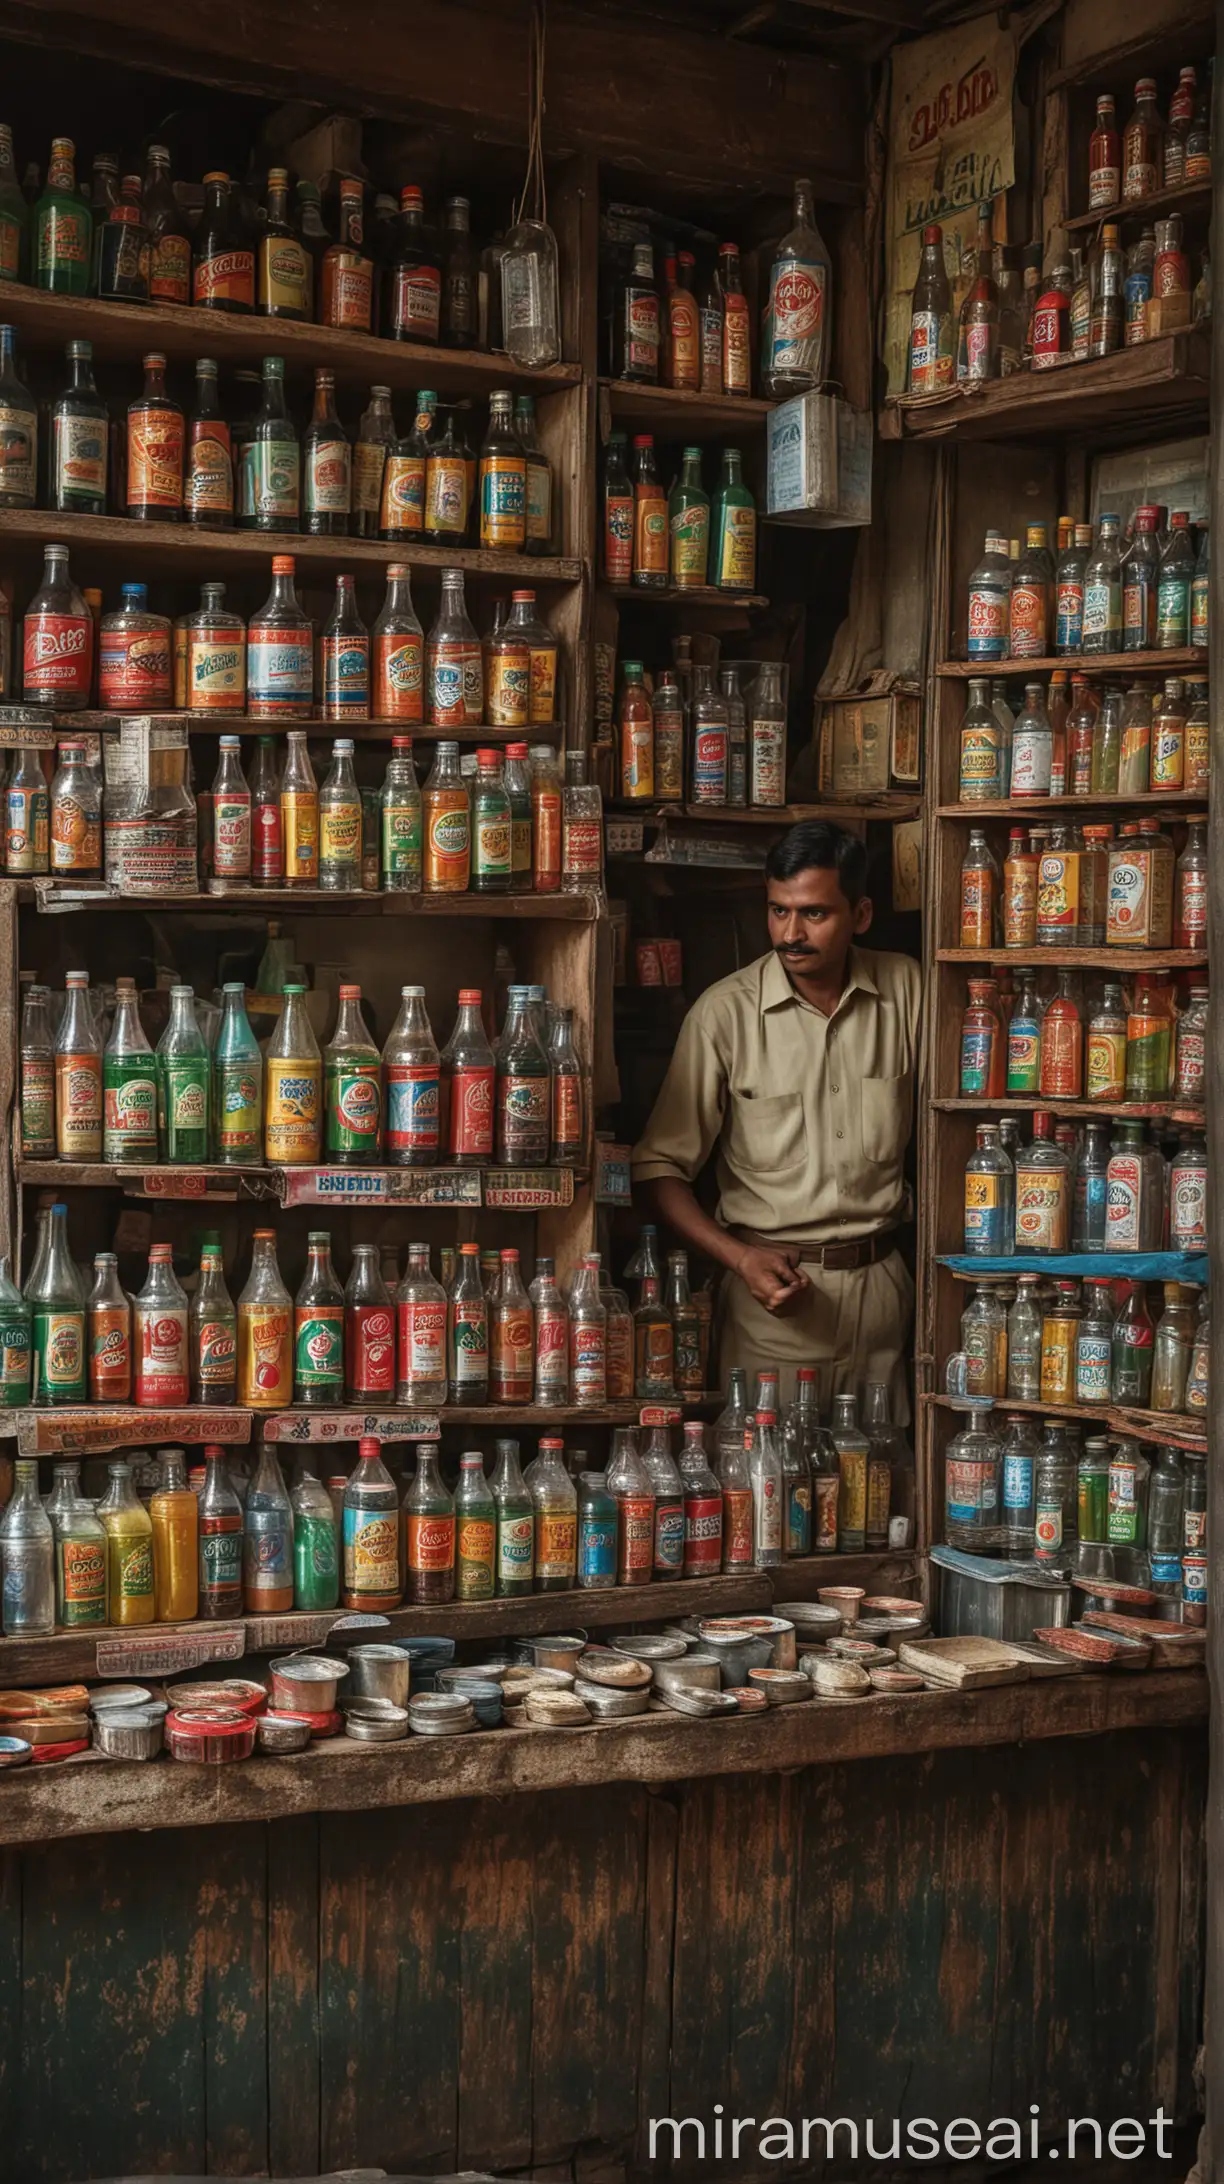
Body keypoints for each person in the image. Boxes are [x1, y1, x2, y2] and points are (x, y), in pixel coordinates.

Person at [631, 818, 919, 1415]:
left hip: (885, 1291)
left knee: (882, 1480)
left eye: (814, 913)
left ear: (860, 915)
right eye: (778, 910)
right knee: (769, 1487)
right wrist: (740, 1259)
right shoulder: (724, 1015)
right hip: (776, 1301)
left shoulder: (909, 991)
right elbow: (658, 1167)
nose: (791, 933)